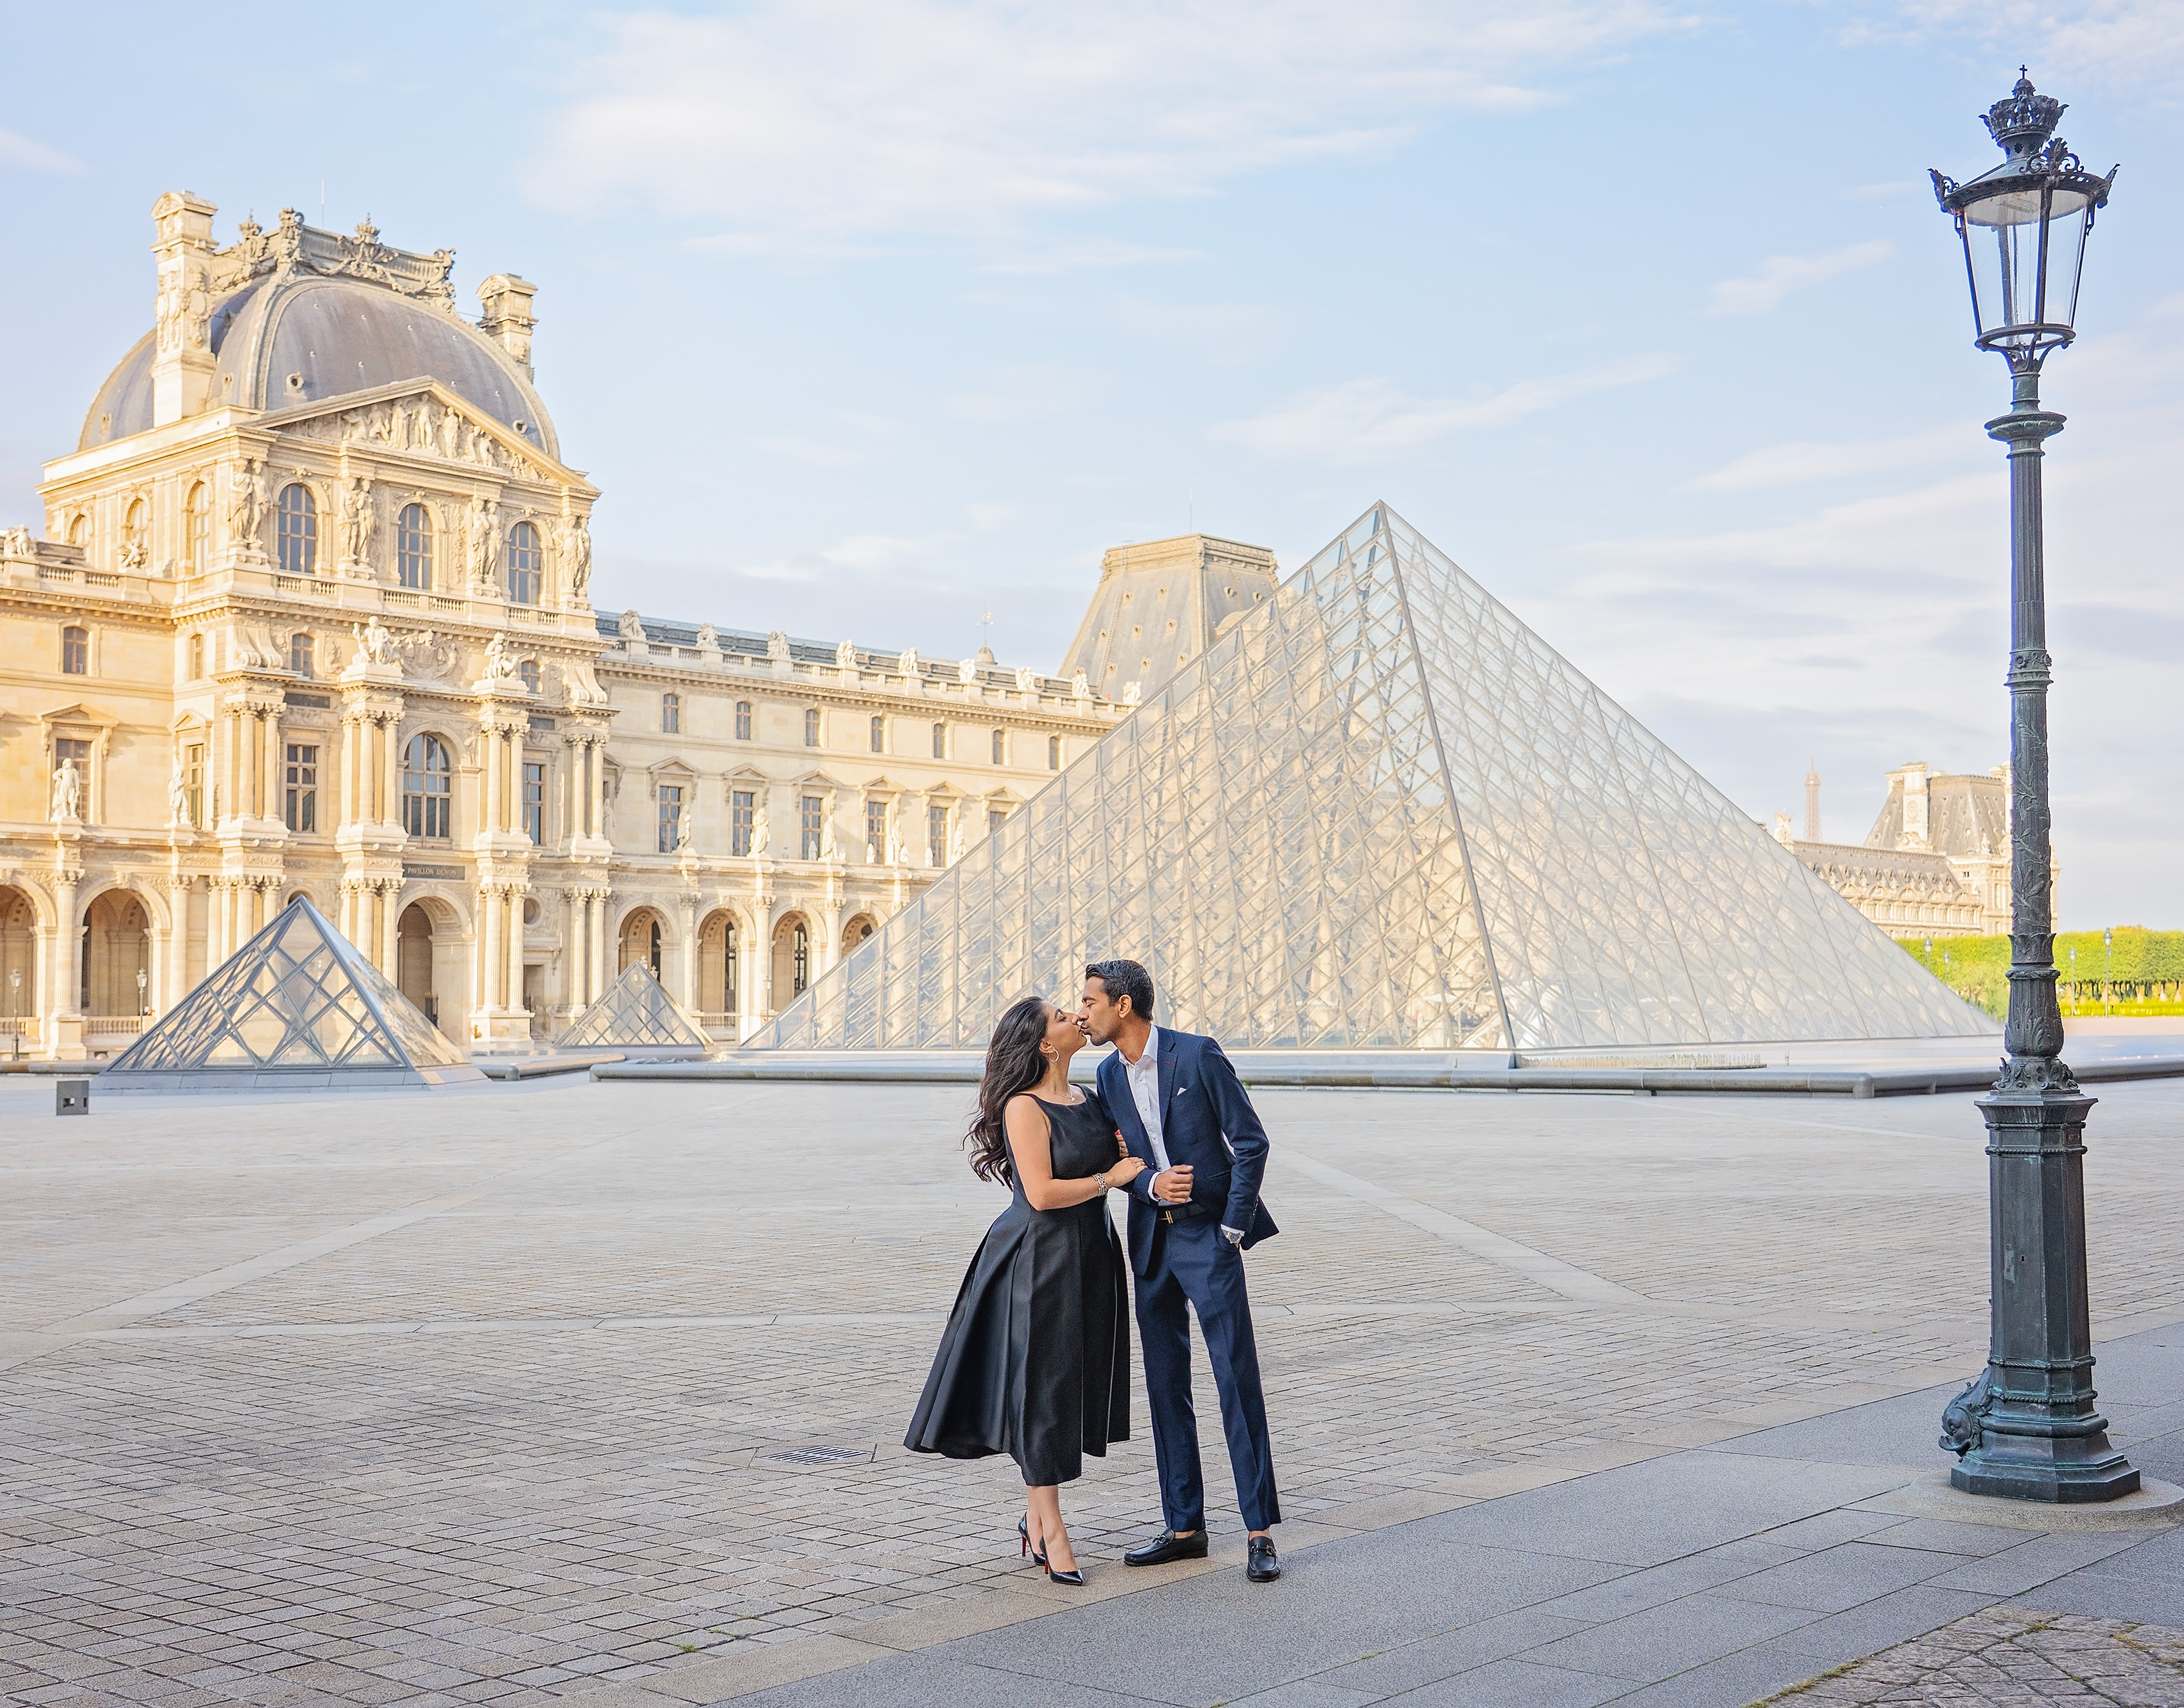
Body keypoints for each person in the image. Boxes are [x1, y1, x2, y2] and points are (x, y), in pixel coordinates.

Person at [905, 996, 1144, 1585]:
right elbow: (1040, 1193)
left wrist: (1121, 1161)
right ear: (1044, 1044)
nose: (1076, 1018)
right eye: (1062, 1017)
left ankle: (1034, 1520)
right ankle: (1052, 1530)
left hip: (1092, 1253)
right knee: (1042, 1389)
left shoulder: (1090, 1097)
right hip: (1038, 1258)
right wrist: (1110, 1177)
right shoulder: (1023, 1106)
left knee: (1066, 1386)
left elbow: (1115, 1159)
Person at [1081, 959, 1283, 1584]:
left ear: (1123, 1006)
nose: (1082, 1013)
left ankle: (1259, 1531)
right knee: (1166, 1386)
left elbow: (1251, 1142)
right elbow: (1121, 1164)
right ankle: (1185, 1527)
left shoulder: (1197, 1056)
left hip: (1206, 1237)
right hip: (1151, 1243)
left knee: (1234, 1379)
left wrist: (1232, 1228)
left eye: (1090, 1002)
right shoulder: (1107, 1074)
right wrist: (1149, 1183)